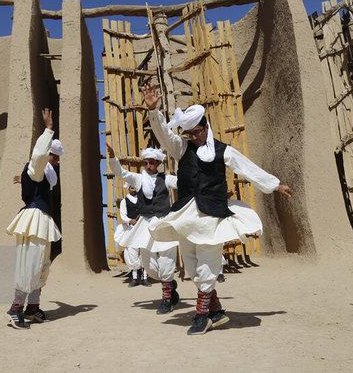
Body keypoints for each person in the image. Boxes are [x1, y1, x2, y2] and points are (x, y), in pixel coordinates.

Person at [142, 83, 293, 335]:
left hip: (212, 216)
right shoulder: (182, 148)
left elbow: (247, 168)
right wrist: (153, 111)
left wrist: (275, 185)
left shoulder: (224, 151)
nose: (195, 137)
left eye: (198, 132)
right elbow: (164, 137)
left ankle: (202, 315)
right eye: (190, 134)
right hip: (187, 216)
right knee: (191, 265)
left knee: (207, 265)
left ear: (206, 127)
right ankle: (217, 311)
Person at [5, 108, 63, 329]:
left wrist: (24, 180)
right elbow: (37, 158)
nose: (56, 160)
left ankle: (32, 307)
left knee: (41, 264)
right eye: (54, 155)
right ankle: (16, 308)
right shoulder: (38, 167)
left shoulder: (39, 174)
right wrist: (48, 130)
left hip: (41, 219)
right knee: (30, 264)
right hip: (34, 220)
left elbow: (34, 174)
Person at [107, 143, 180, 314]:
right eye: (146, 162)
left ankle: (167, 298)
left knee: (166, 261)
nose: (149, 166)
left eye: (152, 163)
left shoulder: (166, 179)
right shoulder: (138, 179)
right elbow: (121, 173)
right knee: (151, 267)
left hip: (164, 223)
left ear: (158, 163)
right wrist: (112, 158)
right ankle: (169, 284)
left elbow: (182, 182)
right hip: (145, 226)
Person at [115, 183, 144, 286]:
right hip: (131, 229)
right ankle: (135, 278)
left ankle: (144, 277)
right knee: (132, 251)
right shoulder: (124, 201)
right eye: (132, 187)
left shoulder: (142, 199)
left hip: (142, 228)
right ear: (128, 189)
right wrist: (130, 220)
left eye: (135, 187)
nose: (134, 189)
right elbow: (123, 215)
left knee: (143, 250)